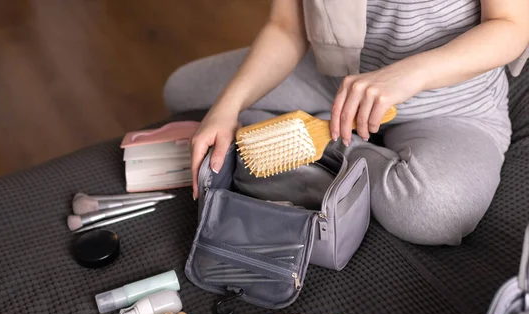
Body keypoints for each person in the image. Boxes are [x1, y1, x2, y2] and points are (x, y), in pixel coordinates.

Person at [162, 0, 529, 246]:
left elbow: (511, 26)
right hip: (334, 80)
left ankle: (324, 141)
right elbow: (286, 28)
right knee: (182, 91)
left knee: (437, 213)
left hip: (452, 107)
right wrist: (229, 105)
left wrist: (408, 75)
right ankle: (311, 133)